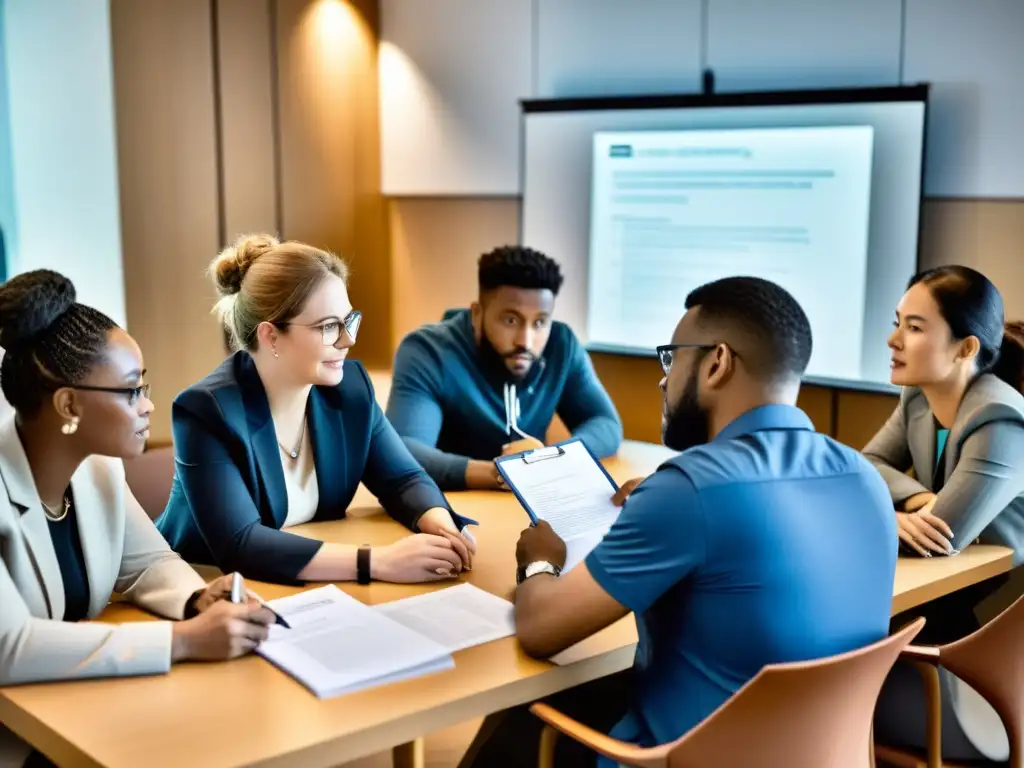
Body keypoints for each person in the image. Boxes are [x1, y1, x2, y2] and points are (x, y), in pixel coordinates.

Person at [470, 276, 898, 767]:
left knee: (514, 722)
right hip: (820, 754)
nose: (662, 378)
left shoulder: (692, 488)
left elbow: (541, 630)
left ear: (717, 362)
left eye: (671, 359)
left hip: (684, 757)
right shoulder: (865, 477)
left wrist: (540, 562)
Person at [0, 270, 275, 768]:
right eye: (131, 390)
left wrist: (196, 598)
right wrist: (184, 641)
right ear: (69, 404)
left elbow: (147, 562)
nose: (148, 405)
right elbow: (10, 646)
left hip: (79, 709)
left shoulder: (98, 468)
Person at [156, 234, 475, 585]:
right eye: (327, 327)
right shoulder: (207, 410)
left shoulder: (351, 390)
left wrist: (443, 529)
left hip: (309, 582)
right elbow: (240, 543)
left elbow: (404, 479)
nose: (348, 340)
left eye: (348, 321)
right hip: (206, 587)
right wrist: (378, 562)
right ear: (271, 336)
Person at [863, 265, 1024, 763]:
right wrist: (909, 503)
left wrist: (888, 517)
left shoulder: (1001, 420)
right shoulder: (919, 395)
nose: (893, 339)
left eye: (914, 327)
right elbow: (865, 464)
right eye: (897, 322)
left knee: (825, 686)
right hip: (943, 611)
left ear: (966, 348)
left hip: (986, 648)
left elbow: (939, 540)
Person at [386, 245, 622, 491]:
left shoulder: (562, 346)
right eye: (511, 320)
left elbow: (605, 423)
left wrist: (550, 459)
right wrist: (501, 473)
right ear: (477, 314)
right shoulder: (428, 351)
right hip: (451, 506)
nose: (525, 341)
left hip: (533, 507)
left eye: (540, 322)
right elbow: (403, 449)